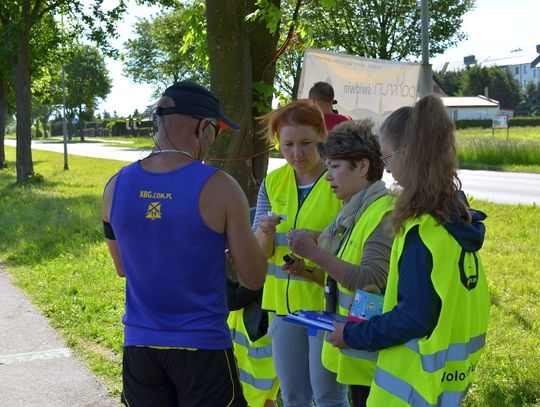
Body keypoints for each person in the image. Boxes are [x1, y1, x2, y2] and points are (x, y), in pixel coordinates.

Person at [102, 81, 267, 407]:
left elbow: (123, 268)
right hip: (201, 347)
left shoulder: (115, 185)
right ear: (204, 127)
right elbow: (253, 277)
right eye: (217, 131)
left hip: (140, 347)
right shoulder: (220, 187)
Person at [327, 95, 491, 406]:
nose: (386, 171)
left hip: (409, 385)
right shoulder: (455, 216)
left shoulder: (422, 230)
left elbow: (413, 318)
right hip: (446, 379)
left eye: (386, 158)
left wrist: (351, 335)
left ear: (408, 154)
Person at [286, 119, 394, 407]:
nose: (327, 176)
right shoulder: (355, 210)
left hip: (372, 351)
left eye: (334, 167)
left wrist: (316, 254)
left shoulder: (382, 213)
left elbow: (371, 277)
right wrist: (312, 261)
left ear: (362, 166)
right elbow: (344, 271)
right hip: (358, 344)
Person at [253, 100, 346, 406]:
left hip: (327, 307)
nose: (296, 153)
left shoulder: (340, 180)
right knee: (293, 396)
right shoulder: (273, 182)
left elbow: (353, 248)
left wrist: (315, 245)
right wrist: (265, 232)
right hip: (284, 308)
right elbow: (261, 253)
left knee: (328, 396)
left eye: (306, 143)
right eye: (287, 144)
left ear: (322, 134)